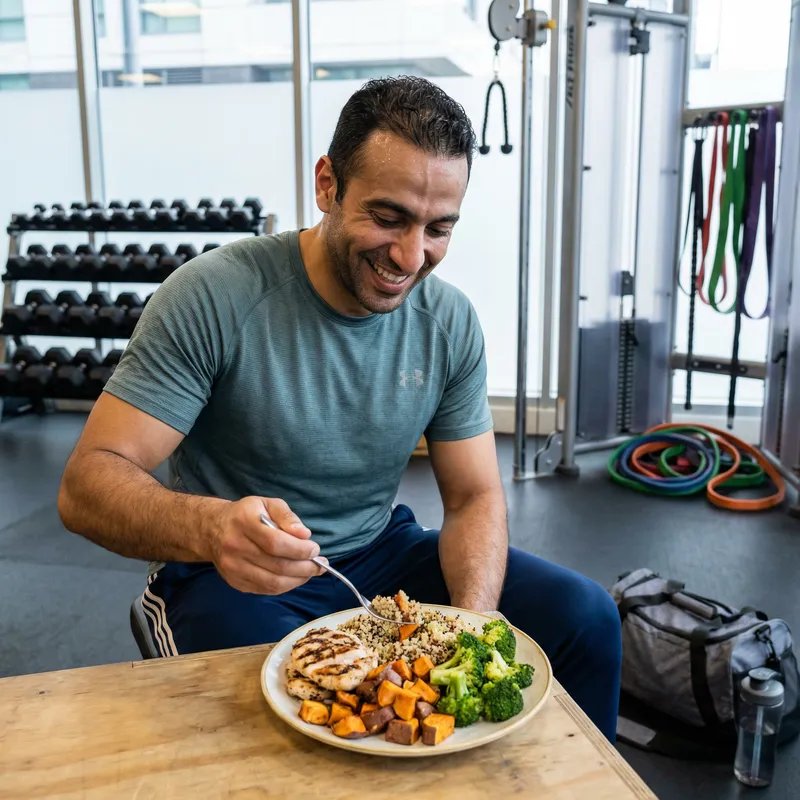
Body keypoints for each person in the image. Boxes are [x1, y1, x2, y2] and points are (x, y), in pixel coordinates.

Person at [58, 76, 621, 741]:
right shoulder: (213, 295)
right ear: (327, 184)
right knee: (273, 718)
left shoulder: (449, 323)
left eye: (438, 228)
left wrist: (470, 629)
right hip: (232, 573)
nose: (412, 256)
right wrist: (213, 529)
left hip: (383, 557)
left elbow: (473, 498)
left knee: (586, 617)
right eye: (388, 217)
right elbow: (86, 484)